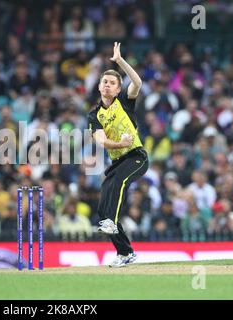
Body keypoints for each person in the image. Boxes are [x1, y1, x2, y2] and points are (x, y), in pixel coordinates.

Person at [88, 42, 148, 268]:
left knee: (118, 184)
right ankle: (125, 252)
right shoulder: (94, 115)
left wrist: (120, 61)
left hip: (137, 157)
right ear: (99, 87)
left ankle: (111, 222)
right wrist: (119, 143)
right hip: (118, 159)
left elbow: (138, 82)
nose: (107, 85)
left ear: (117, 89)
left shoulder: (125, 101)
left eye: (112, 83)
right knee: (103, 208)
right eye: (104, 81)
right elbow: (102, 142)